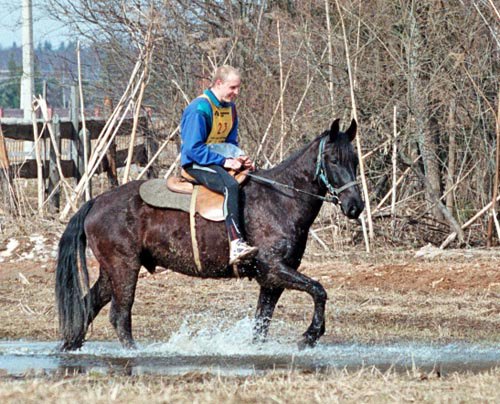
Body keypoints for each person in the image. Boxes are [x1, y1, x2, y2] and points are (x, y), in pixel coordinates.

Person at [180, 65, 258, 265]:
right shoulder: (199, 109)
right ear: (218, 83)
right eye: (233, 88)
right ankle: (236, 243)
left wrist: (240, 158)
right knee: (230, 186)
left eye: (238, 88)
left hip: (218, 161)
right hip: (197, 163)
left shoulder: (230, 108)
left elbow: (230, 143)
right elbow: (192, 149)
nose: (236, 93)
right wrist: (224, 161)